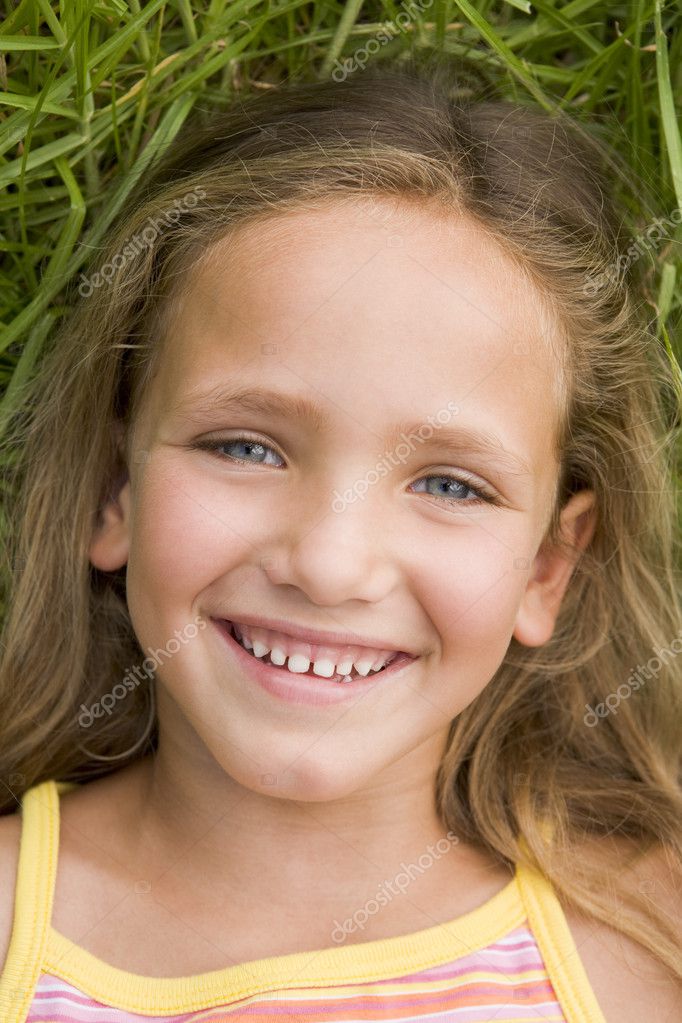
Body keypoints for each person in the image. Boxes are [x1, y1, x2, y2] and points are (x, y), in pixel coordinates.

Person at [0, 56, 680, 1023]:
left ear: (546, 567)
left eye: (451, 483)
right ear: (116, 490)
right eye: (245, 446)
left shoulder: (646, 944)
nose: (327, 564)